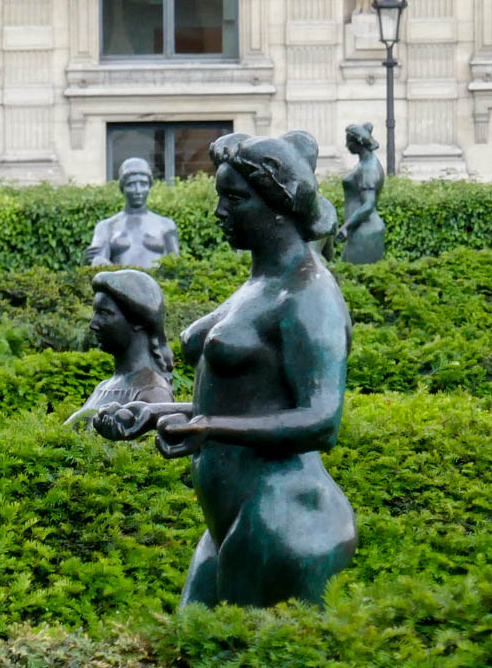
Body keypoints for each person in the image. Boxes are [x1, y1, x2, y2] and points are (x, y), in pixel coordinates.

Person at [95, 131, 356, 609]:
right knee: (194, 644)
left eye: (234, 199)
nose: (219, 212)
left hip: (285, 519)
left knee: (239, 652)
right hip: (233, 518)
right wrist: (156, 414)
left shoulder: (308, 296)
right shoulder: (260, 283)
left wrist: (208, 427)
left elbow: (322, 421)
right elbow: (242, 402)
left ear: (278, 206)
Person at [65, 269, 175, 427]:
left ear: (138, 320)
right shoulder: (103, 387)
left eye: (104, 313)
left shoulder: (153, 393)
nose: (93, 324)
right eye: (95, 313)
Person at [86, 157, 182, 268]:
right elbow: (97, 263)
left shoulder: (166, 225)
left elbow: (177, 267)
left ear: (149, 187)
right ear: (123, 188)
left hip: (156, 279)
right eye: (131, 184)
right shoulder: (106, 227)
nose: (138, 190)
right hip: (118, 278)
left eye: (143, 184)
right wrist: (90, 260)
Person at [335, 122, 386, 265]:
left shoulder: (369, 168)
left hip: (366, 232)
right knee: (345, 273)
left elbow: (368, 205)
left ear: (358, 142)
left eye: (348, 142)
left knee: (354, 274)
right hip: (358, 231)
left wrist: (346, 227)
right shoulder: (364, 164)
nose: (346, 145)